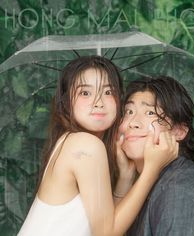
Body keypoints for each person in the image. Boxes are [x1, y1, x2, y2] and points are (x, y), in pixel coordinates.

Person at [17, 56, 178, 236]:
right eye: (85, 93)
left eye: (108, 92)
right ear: (66, 102)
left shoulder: (70, 141)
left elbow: (105, 225)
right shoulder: (85, 145)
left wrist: (125, 177)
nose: (99, 102)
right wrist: (152, 169)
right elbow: (106, 234)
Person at [118, 76, 194, 236]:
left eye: (150, 112)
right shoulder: (155, 183)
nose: (133, 122)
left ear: (179, 131)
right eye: (129, 111)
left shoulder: (179, 191)